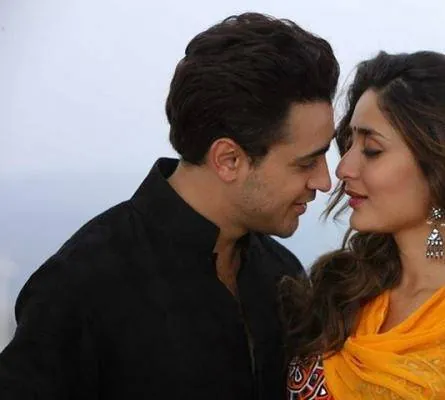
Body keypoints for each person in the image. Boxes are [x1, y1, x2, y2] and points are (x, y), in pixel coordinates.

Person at [0, 12, 339, 400]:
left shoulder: (282, 275)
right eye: (306, 163)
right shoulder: (80, 288)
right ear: (228, 160)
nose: (324, 181)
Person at [283, 50, 445, 400]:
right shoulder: (339, 288)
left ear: (437, 163)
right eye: (348, 144)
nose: (343, 169)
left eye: (371, 149)